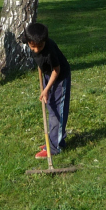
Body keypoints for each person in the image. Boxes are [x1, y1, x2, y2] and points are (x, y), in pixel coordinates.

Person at [25, 22, 71, 159]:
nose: (36, 50)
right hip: (47, 74)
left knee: (57, 110)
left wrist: (46, 90)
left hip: (59, 77)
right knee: (51, 107)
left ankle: (53, 148)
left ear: (45, 41)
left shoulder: (49, 52)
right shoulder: (30, 38)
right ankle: (55, 139)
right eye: (32, 46)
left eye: (39, 46)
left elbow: (57, 70)